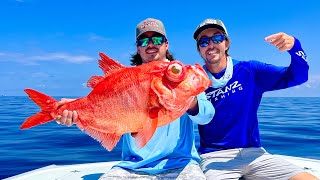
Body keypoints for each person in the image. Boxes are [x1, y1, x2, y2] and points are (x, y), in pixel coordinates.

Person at [55, 18, 215, 179]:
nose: (151, 44)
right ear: (138, 48)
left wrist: (190, 100)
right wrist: (73, 109)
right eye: (144, 41)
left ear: (166, 44)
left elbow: (207, 116)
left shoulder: (181, 77)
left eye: (157, 39)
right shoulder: (125, 79)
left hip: (181, 164)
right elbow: (99, 101)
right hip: (132, 166)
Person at [193, 18, 318, 180]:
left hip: (255, 154)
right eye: (204, 41)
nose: (211, 45)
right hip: (214, 158)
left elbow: (298, 76)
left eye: (217, 38)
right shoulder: (194, 79)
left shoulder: (250, 70)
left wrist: (295, 46)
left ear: (226, 43)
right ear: (199, 50)